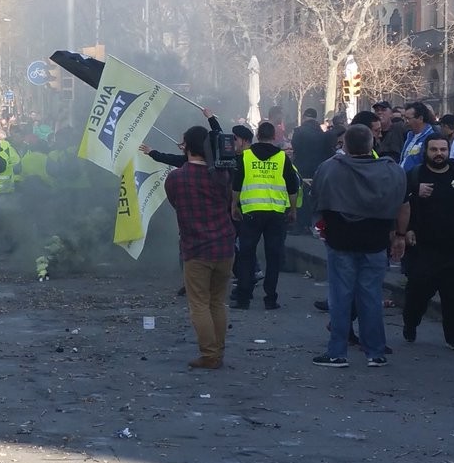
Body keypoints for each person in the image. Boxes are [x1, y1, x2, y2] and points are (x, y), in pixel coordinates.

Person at [312, 124, 406, 367]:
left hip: (340, 240)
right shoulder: (391, 171)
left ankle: (337, 352)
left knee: (340, 297)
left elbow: (318, 199)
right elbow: (402, 203)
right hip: (375, 241)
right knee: (371, 297)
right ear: (372, 144)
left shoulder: (330, 168)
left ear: (345, 145)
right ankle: (375, 352)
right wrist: (399, 235)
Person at [397, 135, 454, 349]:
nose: (439, 154)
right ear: (426, 152)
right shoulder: (415, 176)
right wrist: (407, 230)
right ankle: (410, 323)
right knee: (417, 294)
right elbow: (400, 201)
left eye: (443, 149)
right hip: (424, 248)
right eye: (434, 150)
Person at [164, 123, 235, 369]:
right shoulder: (222, 175)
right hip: (224, 246)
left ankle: (209, 354)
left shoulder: (176, 178)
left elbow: (175, 203)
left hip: (196, 248)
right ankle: (219, 350)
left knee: (199, 304)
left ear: (187, 147)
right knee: (217, 302)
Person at [231, 122, 299, 310]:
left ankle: (244, 298)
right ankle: (270, 299)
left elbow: (237, 184)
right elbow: (292, 187)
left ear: (258, 135)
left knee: (246, 255)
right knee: (273, 256)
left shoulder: (245, 157)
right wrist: (293, 210)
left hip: (250, 212)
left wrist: (234, 205)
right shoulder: (282, 158)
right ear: (274, 137)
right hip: (276, 214)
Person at [399, 102, 436, 173]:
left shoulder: (430, 139)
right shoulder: (409, 135)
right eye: (404, 118)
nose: (405, 122)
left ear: (420, 118)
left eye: (408, 119)